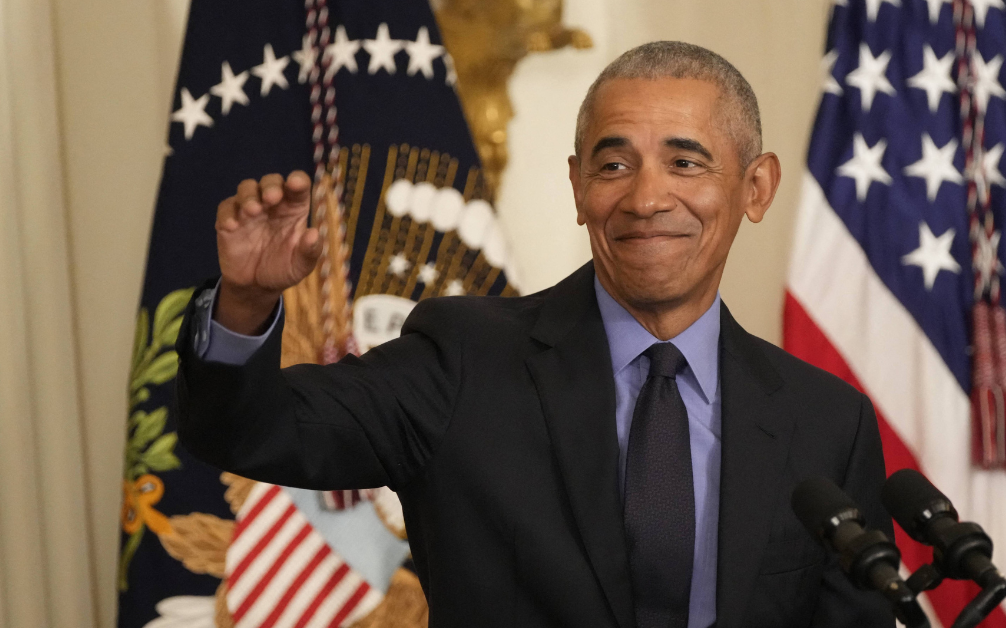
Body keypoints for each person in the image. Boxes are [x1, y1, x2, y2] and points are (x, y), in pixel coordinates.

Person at [177, 41, 894, 628]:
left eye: (685, 162)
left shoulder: (827, 422)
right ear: (579, 188)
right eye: (614, 165)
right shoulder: (463, 360)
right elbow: (253, 431)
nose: (646, 198)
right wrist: (245, 304)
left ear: (756, 188)